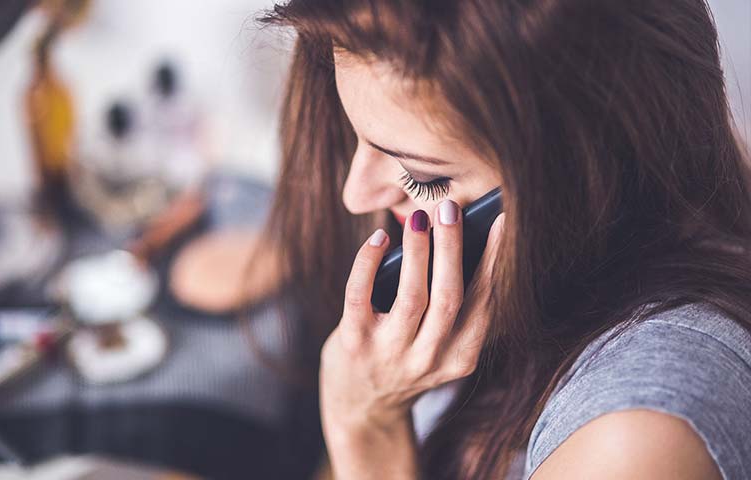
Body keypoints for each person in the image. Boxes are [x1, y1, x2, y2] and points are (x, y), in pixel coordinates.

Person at [252, 1, 751, 478]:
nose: (354, 195)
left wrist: (366, 429)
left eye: (423, 177)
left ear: (587, 180)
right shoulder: (513, 294)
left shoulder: (638, 440)